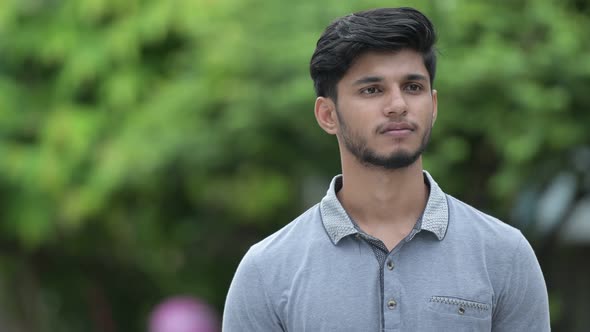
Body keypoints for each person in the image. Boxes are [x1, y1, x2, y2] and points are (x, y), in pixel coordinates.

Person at [222, 7, 550, 331]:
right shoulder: (267, 271)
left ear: (433, 106)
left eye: (413, 87)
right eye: (372, 90)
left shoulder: (505, 255)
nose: (398, 105)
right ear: (327, 115)